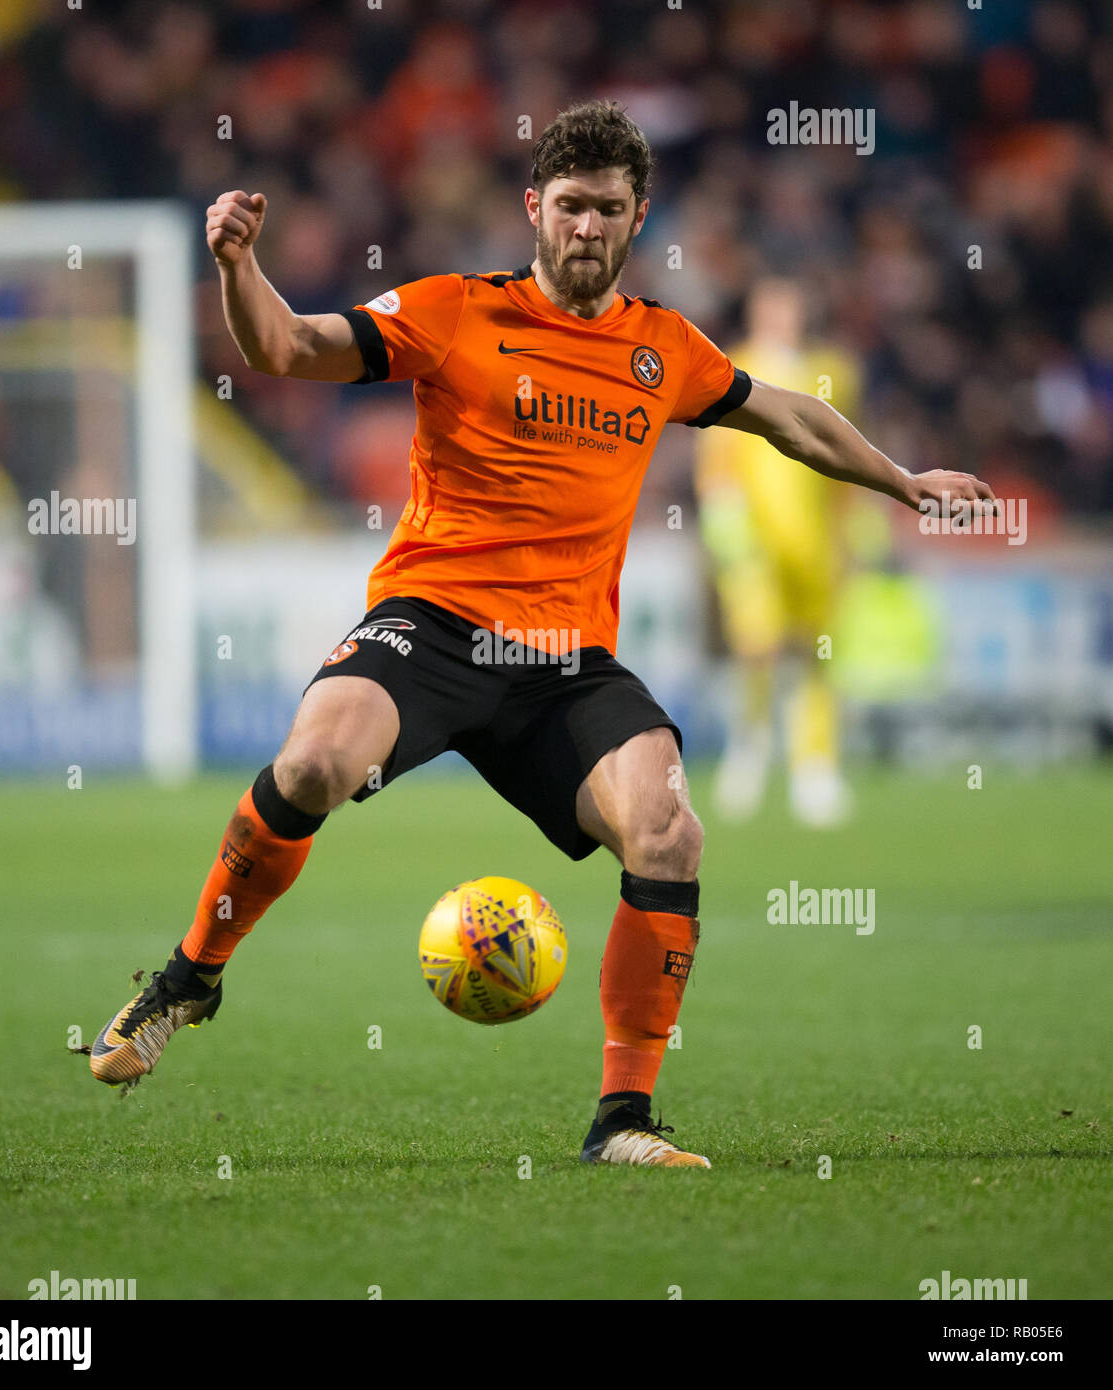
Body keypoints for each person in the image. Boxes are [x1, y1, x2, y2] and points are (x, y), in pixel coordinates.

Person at [88, 101, 993, 1168]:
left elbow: (787, 414)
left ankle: (623, 1120)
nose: (586, 228)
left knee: (669, 830)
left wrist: (900, 481)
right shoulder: (453, 312)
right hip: (432, 623)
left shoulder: (663, 347)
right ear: (534, 208)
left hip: (564, 662)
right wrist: (241, 266)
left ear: (637, 217)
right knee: (317, 758)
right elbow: (287, 346)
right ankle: (190, 977)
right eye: (569, 206)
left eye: (609, 209)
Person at [694, 276, 863, 827]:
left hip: (816, 544)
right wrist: (726, 530)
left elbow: (848, 459)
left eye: (791, 308)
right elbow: (716, 461)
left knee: (816, 656)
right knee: (758, 648)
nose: (783, 318)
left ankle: (814, 766)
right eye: (773, 308)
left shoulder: (834, 373)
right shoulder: (728, 368)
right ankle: (750, 748)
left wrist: (850, 536)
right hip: (755, 544)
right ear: (756, 312)